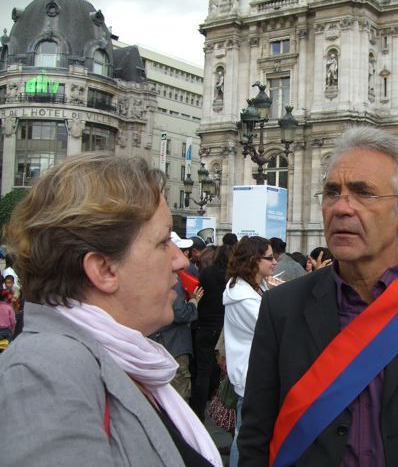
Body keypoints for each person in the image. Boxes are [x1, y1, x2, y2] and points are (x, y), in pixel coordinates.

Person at [238, 126, 398, 465]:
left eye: (363, 193)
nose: (341, 208)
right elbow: (255, 436)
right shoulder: (282, 308)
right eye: (332, 192)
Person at [0, 153, 222, 466]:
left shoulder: (122, 358)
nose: (180, 260)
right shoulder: (43, 372)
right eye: (162, 243)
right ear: (104, 270)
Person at [223, 236, 278, 467]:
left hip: (255, 374)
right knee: (245, 436)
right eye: (270, 257)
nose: (275, 262)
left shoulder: (256, 287)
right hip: (249, 376)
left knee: (248, 433)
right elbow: (273, 327)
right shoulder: (242, 297)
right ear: (255, 261)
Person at [149, 232, 202, 401]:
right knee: (178, 395)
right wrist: (194, 301)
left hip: (160, 344)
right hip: (173, 345)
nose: (184, 258)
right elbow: (181, 313)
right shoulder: (173, 279)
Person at [192, 243, 233, 421]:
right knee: (222, 371)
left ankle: (198, 410)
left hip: (205, 326)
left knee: (203, 370)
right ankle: (220, 409)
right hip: (223, 328)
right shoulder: (232, 277)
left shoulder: (206, 273)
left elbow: (199, 296)